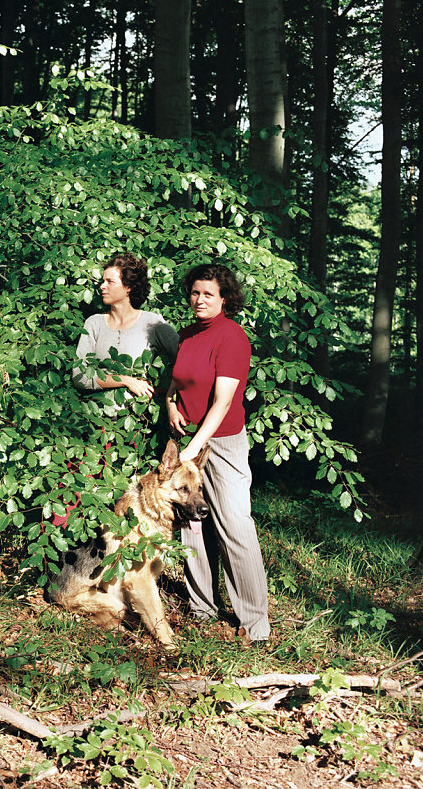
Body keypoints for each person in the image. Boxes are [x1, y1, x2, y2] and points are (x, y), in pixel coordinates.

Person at [165, 263, 269, 645]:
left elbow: (223, 402)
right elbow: (175, 382)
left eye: (208, 293)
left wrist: (194, 448)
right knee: (192, 525)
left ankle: (254, 624)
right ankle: (202, 608)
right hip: (189, 438)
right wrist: (171, 404)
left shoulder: (232, 337)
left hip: (220, 442)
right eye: (194, 292)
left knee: (234, 526)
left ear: (224, 298)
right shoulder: (188, 334)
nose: (199, 299)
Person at [62, 253, 178, 527]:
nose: (101, 286)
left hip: (133, 429)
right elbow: (79, 375)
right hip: (90, 425)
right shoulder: (94, 323)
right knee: (76, 495)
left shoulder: (153, 323)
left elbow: (184, 359)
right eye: (102, 281)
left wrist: (163, 391)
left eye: (108, 281)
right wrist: (126, 379)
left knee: (123, 500)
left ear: (127, 287)